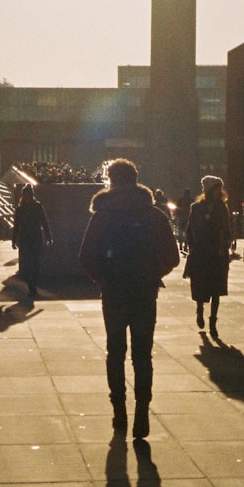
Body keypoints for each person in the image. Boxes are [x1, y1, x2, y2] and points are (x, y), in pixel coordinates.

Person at [78, 159, 179, 438]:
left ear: (110, 180)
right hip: (145, 291)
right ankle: (142, 412)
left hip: (114, 292)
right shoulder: (154, 214)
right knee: (142, 355)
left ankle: (119, 409)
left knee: (116, 352)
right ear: (136, 179)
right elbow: (172, 256)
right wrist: (151, 274)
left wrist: (105, 279)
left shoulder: (102, 214)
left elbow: (85, 256)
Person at [183, 175, 233, 338]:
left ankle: (213, 322)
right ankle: (200, 309)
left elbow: (227, 230)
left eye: (220, 188)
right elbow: (189, 230)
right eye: (216, 187)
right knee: (200, 286)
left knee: (217, 289)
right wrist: (193, 247)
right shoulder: (196, 208)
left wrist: (224, 246)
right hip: (201, 253)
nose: (219, 191)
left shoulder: (222, 207)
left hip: (217, 254)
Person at [11, 183, 53, 299]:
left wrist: (14, 240)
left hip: (28, 238)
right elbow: (44, 222)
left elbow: (44, 222)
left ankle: (32, 286)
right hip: (33, 238)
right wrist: (14, 240)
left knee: (33, 264)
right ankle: (32, 287)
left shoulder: (21, 208)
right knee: (32, 264)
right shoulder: (36, 207)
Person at [175, 187, 193, 253]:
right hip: (188, 218)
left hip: (181, 217)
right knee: (187, 231)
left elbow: (177, 208)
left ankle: (180, 244)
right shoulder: (191, 200)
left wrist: (176, 215)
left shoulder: (181, 200)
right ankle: (185, 244)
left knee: (180, 231)